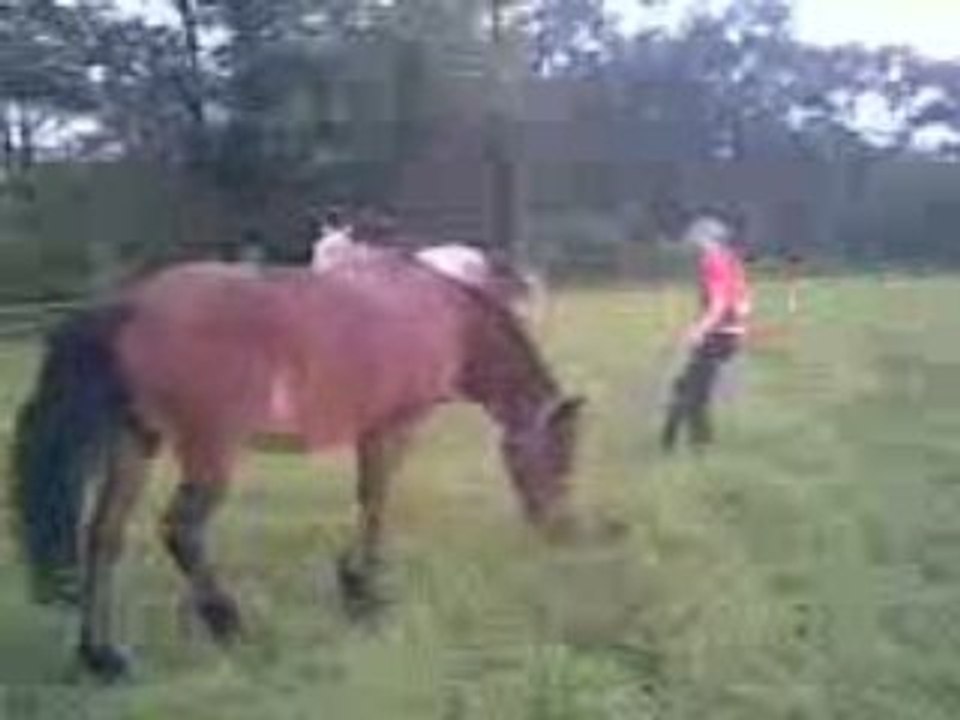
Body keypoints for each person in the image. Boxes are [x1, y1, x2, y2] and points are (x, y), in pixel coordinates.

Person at [661, 212, 752, 452]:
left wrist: (698, 330)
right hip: (729, 334)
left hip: (717, 333)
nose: (694, 245)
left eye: (697, 240)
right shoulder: (732, 260)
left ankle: (680, 445)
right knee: (694, 388)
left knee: (689, 391)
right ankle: (695, 444)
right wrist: (739, 328)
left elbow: (719, 302)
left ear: (707, 239)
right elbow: (744, 301)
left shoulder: (712, 261)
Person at [311, 207, 355, 272]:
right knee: (318, 247)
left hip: (341, 248)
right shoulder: (325, 229)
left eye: (335, 217)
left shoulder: (345, 229)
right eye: (332, 217)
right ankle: (320, 269)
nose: (334, 219)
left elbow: (348, 234)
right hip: (329, 250)